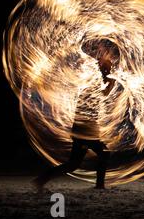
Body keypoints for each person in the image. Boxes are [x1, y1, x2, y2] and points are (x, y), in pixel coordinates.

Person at [33, 38, 120, 190]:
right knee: (103, 154)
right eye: (108, 68)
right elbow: (88, 103)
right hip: (84, 130)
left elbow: (101, 95)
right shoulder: (92, 83)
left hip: (86, 130)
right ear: (102, 69)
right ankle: (99, 186)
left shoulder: (95, 83)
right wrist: (85, 130)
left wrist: (111, 84)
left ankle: (42, 179)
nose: (110, 70)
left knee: (73, 164)